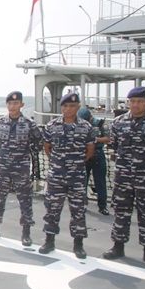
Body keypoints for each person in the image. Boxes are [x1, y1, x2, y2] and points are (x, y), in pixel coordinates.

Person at [0, 91, 43, 246]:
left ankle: (26, 233)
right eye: (10, 103)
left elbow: (38, 144)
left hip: (21, 168)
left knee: (25, 200)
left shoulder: (29, 124)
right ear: (7, 105)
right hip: (3, 168)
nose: (12, 106)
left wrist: (24, 154)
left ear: (21, 105)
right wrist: (2, 157)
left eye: (16, 103)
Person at [39, 93, 95, 259]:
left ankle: (78, 245)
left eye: (72, 106)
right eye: (65, 106)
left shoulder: (86, 127)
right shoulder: (51, 125)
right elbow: (47, 147)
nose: (68, 109)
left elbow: (90, 150)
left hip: (77, 175)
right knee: (52, 209)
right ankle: (49, 241)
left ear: (77, 107)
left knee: (78, 210)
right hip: (56, 175)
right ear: (61, 107)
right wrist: (59, 163)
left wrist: (75, 163)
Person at [102, 86, 145, 267]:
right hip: (123, 176)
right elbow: (114, 145)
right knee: (121, 212)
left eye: (140, 102)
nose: (136, 105)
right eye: (133, 101)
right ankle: (118, 246)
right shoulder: (117, 123)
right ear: (128, 102)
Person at [77, 107, 110, 215]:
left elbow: (108, 138)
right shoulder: (78, 124)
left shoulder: (100, 124)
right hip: (84, 154)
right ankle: (82, 204)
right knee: (82, 182)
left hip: (98, 154)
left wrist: (95, 140)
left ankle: (102, 206)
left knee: (100, 181)